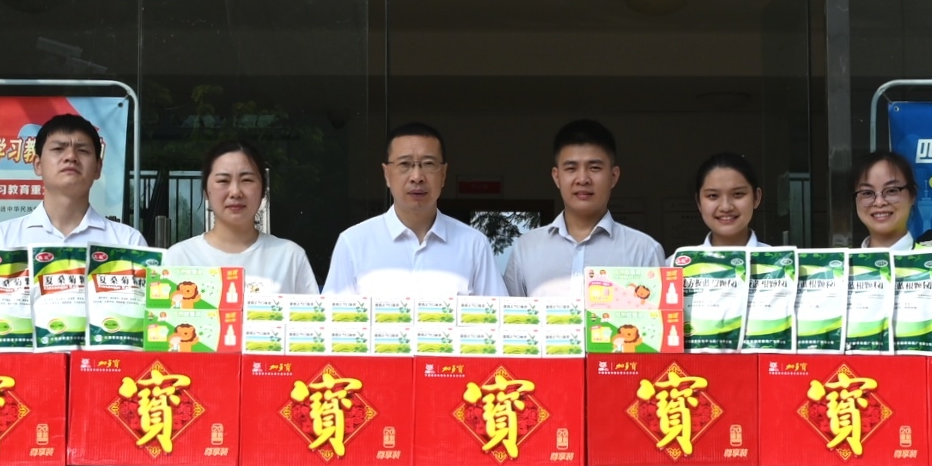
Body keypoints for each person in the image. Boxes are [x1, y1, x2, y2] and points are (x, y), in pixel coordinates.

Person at [324, 121, 501, 299]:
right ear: (387, 174)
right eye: (405, 164)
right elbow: (333, 314)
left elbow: (498, 314)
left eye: (428, 164)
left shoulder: (474, 245)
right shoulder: (353, 243)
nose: (417, 177)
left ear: (443, 174)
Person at [503, 119, 665, 299]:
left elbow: (658, 314)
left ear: (613, 176)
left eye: (594, 168)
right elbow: (509, 314)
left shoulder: (644, 251)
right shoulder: (526, 248)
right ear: (556, 177)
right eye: (571, 168)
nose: (582, 179)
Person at [162, 140, 319, 296]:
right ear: (206, 192)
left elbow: (314, 312)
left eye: (247, 180)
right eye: (223, 181)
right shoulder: (179, 258)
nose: (235, 192)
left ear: (263, 190)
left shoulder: (290, 257)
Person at [0, 113, 148, 251]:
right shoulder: (1, 240)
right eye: (58, 149)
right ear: (38, 165)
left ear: (97, 168)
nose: (71, 157)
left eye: (82, 150)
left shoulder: (127, 242)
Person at [850, 150, 932, 250]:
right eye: (867, 193)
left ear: (912, 195)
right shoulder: (844, 260)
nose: (879, 202)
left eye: (891, 191)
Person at [691, 151, 769, 248]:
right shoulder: (682, 258)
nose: (726, 207)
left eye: (738, 194)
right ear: (698, 202)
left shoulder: (779, 257)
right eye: (713, 195)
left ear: (756, 197)